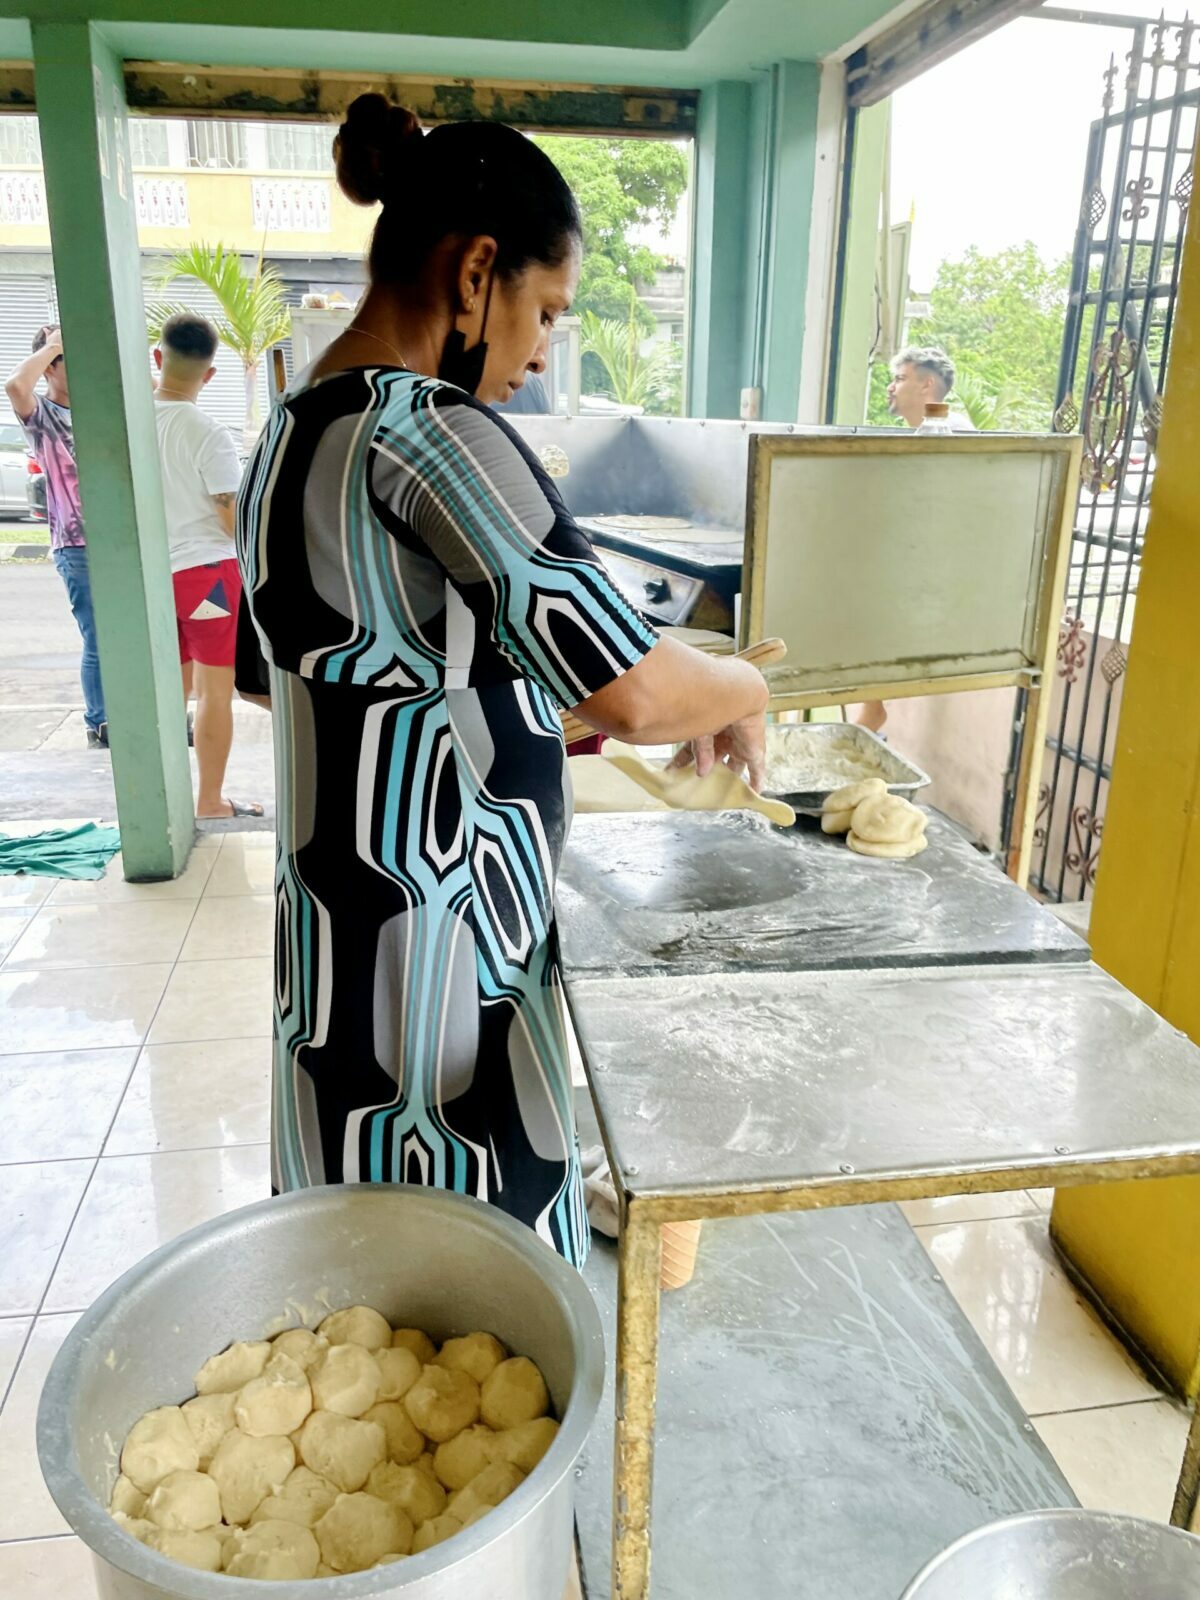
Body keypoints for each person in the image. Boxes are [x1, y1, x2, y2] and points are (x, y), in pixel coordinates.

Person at [237, 95, 769, 1266]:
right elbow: (639, 689)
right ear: (477, 270)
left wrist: (513, 703)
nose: (536, 358)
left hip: (335, 958)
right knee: (481, 1311)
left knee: (356, 1287)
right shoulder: (430, 430)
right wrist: (742, 687)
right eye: (544, 312)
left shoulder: (290, 434)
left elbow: (327, 678)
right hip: (442, 968)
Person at [153, 313, 263, 820]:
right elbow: (228, 519)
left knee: (170, 690)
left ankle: (165, 798)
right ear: (210, 373)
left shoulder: (134, 426)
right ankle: (210, 802)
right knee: (214, 693)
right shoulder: (207, 432)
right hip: (207, 578)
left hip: (154, 576)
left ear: (159, 359)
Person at [5, 325, 108, 748]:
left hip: (119, 543)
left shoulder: (98, 409)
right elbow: (14, 386)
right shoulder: (43, 417)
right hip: (77, 545)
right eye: (69, 360)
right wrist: (52, 344)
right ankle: (99, 721)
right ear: (49, 368)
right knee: (98, 638)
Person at [886, 345, 957, 429]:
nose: (890, 388)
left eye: (900, 379)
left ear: (926, 385)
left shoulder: (954, 434)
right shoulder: (929, 432)